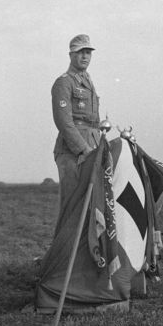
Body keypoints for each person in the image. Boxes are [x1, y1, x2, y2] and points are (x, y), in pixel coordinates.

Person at [51, 34, 101, 213]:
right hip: (73, 152)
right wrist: (83, 149)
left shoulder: (87, 81)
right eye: (80, 52)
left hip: (92, 146)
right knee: (72, 205)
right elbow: (64, 121)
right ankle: (65, 242)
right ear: (71, 55)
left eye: (88, 52)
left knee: (92, 204)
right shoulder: (64, 82)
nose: (85, 56)